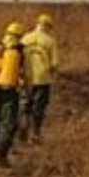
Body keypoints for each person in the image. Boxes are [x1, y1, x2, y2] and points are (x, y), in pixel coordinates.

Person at [0, 21, 27, 168]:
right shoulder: (19, 51)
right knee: (8, 123)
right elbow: (24, 73)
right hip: (9, 90)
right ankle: (2, 155)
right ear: (20, 36)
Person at [21, 13, 59, 144]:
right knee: (39, 107)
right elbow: (54, 64)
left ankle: (23, 128)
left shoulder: (25, 38)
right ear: (48, 26)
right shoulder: (50, 41)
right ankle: (35, 134)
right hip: (43, 79)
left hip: (26, 78)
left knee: (25, 105)